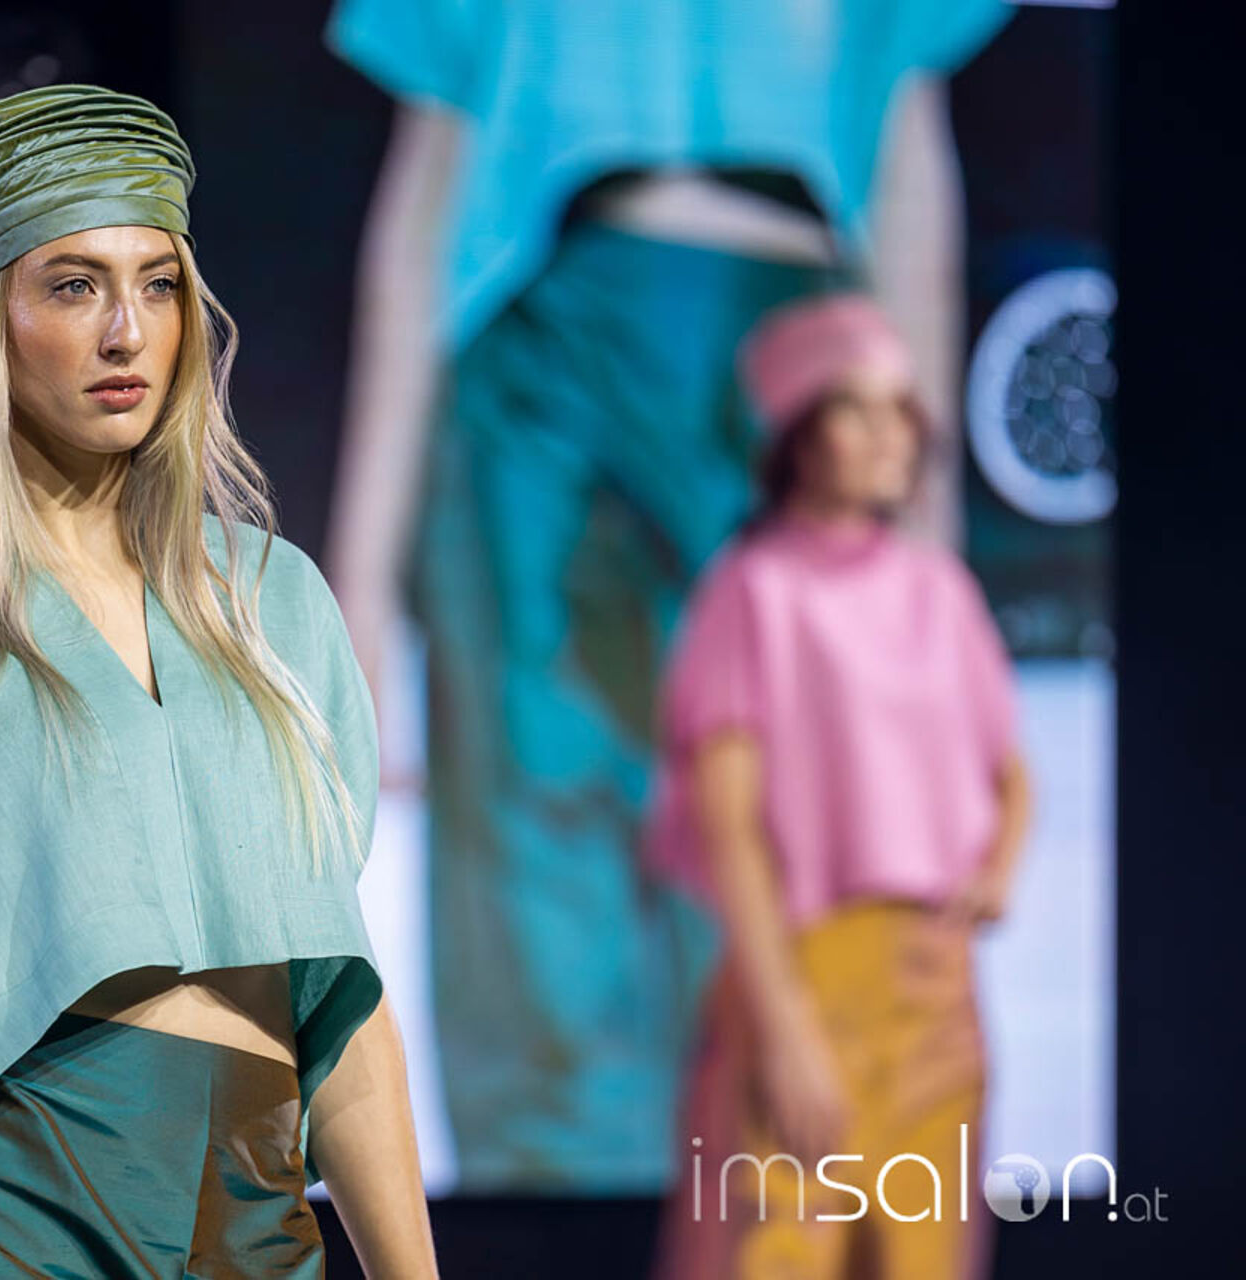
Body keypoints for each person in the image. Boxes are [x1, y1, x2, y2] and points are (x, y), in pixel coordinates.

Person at [0, 83, 437, 1278]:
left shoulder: (277, 606)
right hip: (8, 1209)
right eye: (72, 285)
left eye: (158, 283)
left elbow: (340, 996)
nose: (126, 332)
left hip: (252, 1211)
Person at [321, 0, 1014, 1193]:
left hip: (790, 367)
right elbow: (426, 193)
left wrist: (932, 573)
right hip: (540, 359)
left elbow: (912, 184)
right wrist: (360, 592)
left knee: (797, 850)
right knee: (543, 873)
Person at [642, 293, 1034, 1279]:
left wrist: (996, 869)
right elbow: (730, 828)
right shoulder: (753, 592)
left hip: (934, 991)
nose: (892, 433)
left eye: (903, 407)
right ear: (800, 434)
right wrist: (786, 1030)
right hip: (808, 978)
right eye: (858, 407)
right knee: (782, 1251)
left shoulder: (938, 589)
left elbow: (1010, 768)